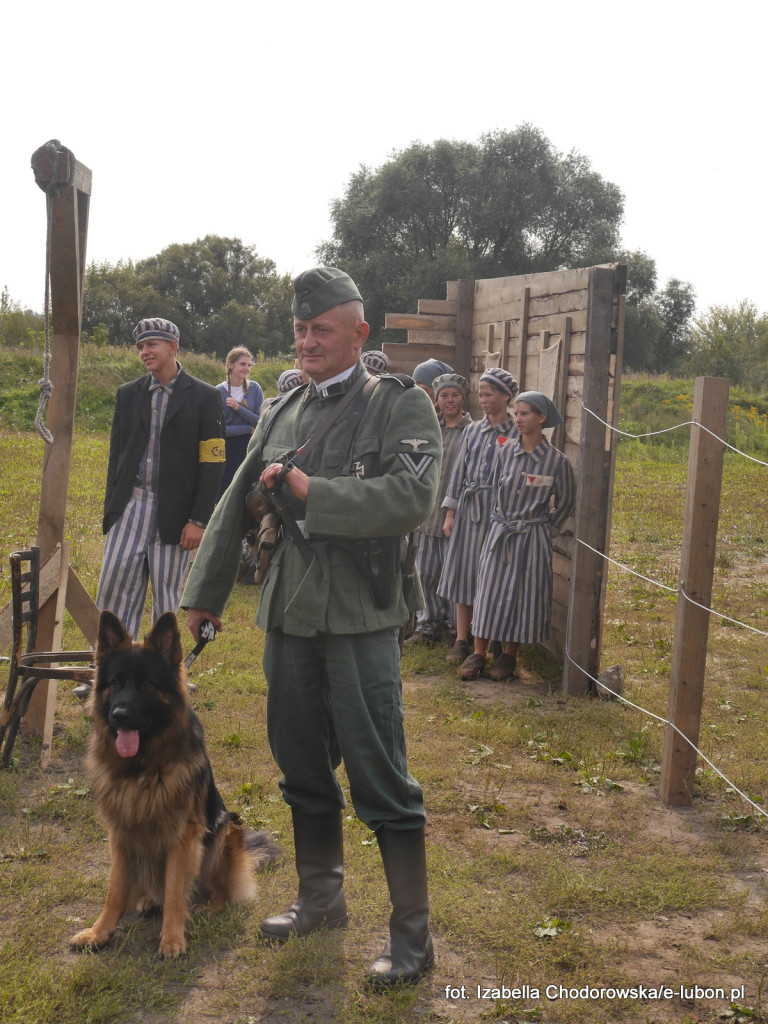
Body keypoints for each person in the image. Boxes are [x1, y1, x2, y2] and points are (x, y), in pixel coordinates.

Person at [181, 267, 442, 989]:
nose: (307, 341)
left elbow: (414, 495)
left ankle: (412, 940)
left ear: (359, 333)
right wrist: (205, 595)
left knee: (379, 772)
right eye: (300, 329)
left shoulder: (399, 405)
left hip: (359, 615)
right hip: (289, 611)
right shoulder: (285, 406)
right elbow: (236, 498)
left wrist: (315, 492)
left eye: (321, 329)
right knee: (299, 763)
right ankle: (321, 899)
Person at [94, 317, 225, 645]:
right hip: (131, 507)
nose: (144, 352)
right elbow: (117, 457)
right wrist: (113, 509)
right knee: (113, 591)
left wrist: (198, 519)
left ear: (173, 347)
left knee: (167, 598)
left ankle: (167, 676)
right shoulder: (128, 394)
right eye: (140, 346)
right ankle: (109, 671)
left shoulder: (206, 397)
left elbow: (213, 464)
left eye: (151, 344)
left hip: (176, 512)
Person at [460, 391, 576, 681]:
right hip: (500, 531)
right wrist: (496, 525)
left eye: (525, 413)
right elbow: (496, 490)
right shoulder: (504, 450)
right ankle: (478, 652)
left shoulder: (556, 462)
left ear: (541, 418)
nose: (518, 419)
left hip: (532, 537)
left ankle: (509, 654)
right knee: (488, 588)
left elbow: (565, 504)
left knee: (524, 593)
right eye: (517, 412)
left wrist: (543, 531)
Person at [437, 366, 519, 664]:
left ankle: (495, 639)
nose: (483, 400)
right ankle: (462, 639)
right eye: (481, 395)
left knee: (494, 576)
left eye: (489, 394)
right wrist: (450, 513)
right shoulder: (473, 430)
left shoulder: (515, 433)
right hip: (470, 509)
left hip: (499, 513)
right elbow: (458, 473)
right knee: (463, 572)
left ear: (506, 397)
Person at [407, 373, 473, 645]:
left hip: (456, 514)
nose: (449, 400)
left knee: (451, 572)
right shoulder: (429, 428)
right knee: (426, 572)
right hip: (427, 511)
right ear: (436, 399)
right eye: (444, 395)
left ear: (462, 398)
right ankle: (427, 626)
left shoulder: (472, 431)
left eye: (454, 395)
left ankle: (453, 628)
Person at [217, 347, 264, 498]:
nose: (247, 368)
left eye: (249, 365)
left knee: (247, 492)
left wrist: (238, 408)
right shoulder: (218, 392)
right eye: (243, 364)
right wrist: (246, 428)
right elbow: (219, 429)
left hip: (250, 447)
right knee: (225, 492)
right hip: (226, 449)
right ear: (231, 365)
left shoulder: (255, 388)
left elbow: (260, 422)